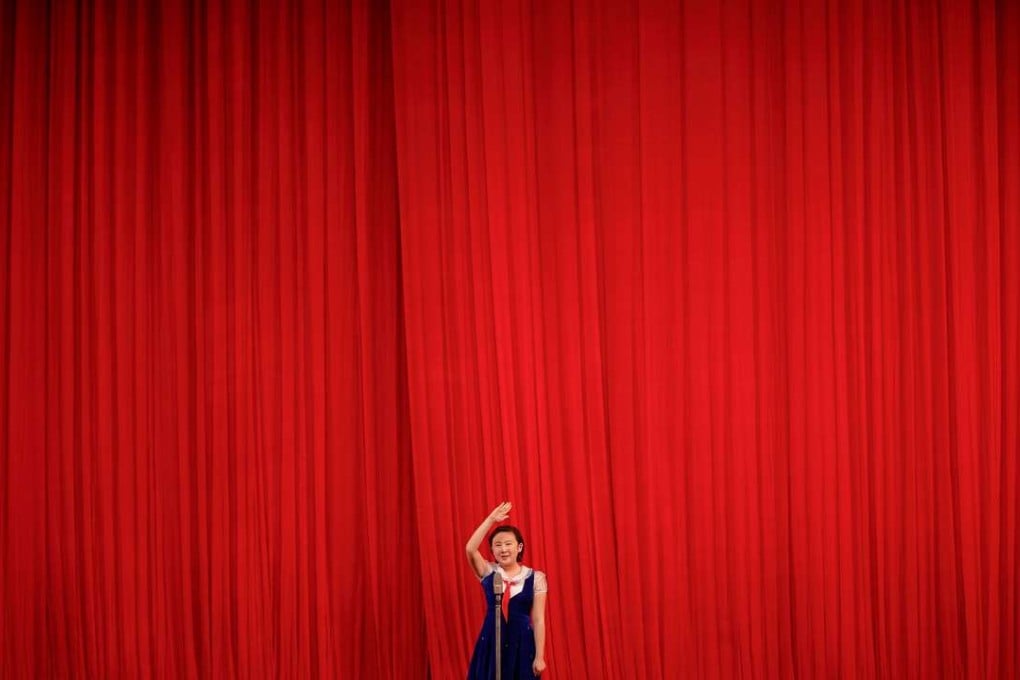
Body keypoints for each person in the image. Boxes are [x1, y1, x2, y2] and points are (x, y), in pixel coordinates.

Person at [465, 501, 548, 678]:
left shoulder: (536, 578)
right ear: (492, 550)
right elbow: (470, 549)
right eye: (498, 545)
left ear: (519, 547)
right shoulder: (488, 572)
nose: (503, 549)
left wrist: (540, 656)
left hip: (522, 644)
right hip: (491, 641)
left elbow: (539, 619)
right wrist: (490, 520)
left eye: (508, 544)